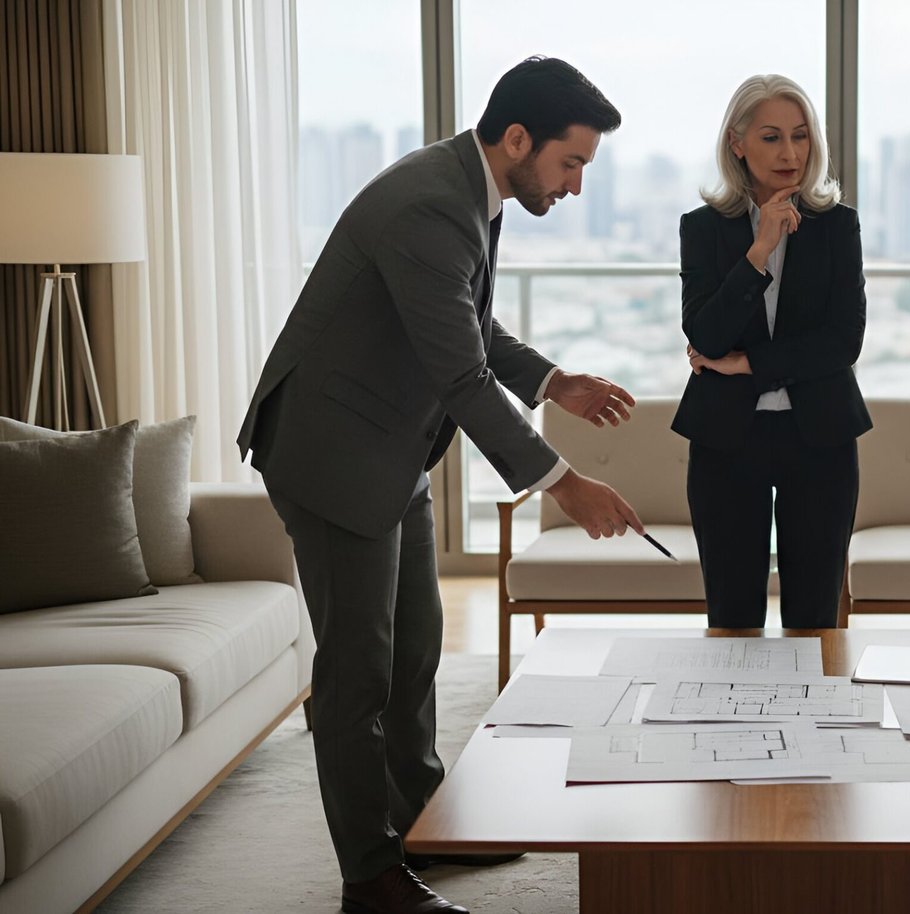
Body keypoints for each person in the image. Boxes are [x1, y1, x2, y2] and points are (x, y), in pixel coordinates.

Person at [237, 57, 643, 914]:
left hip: (392, 449)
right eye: (571, 164)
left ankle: (422, 819)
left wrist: (552, 380)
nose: (574, 187)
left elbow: (471, 318)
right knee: (357, 674)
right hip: (334, 454)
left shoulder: (467, 188)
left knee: (416, 648)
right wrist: (563, 484)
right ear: (520, 139)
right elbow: (461, 376)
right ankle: (371, 876)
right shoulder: (431, 202)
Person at [672, 74, 871, 629]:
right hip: (726, 441)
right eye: (771, 137)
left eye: (801, 136)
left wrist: (750, 364)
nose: (790, 153)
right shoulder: (703, 229)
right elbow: (706, 335)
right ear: (737, 143)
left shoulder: (838, 228)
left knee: (814, 621)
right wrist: (759, 251)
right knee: (732, 619)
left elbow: (843, 341)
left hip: (822, 440)